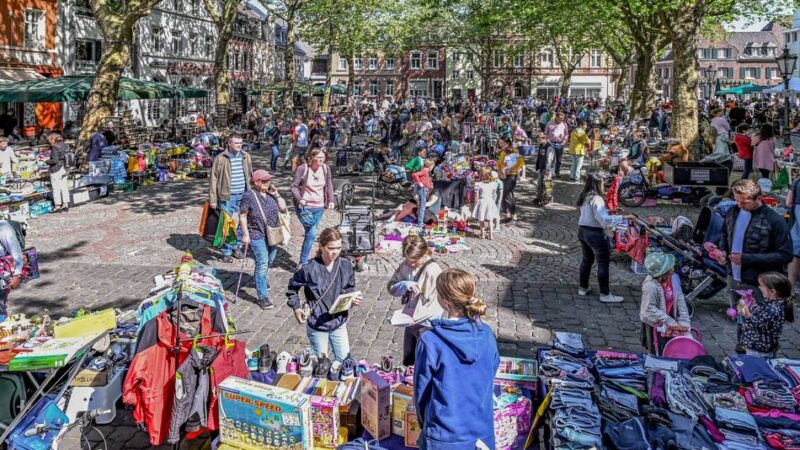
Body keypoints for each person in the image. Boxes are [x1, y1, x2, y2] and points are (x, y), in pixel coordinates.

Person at [414, 268, 500, 450]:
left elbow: (421, 392)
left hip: (444, 434)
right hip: (481, 430)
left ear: (444, 302)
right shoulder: (486, 334)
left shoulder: (430, 341)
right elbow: (491, 373)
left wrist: (426, 425)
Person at [286, 228, 362, 361]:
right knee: (321, 365)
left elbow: (350, 286)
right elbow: (292, 288)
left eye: (338, 248)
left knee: (345, 361)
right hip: (318, 323)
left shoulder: (346, 265)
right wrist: (296, 307)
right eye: (331, 248)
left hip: (338, 321)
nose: (335, 252)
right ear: (321, 247)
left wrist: (352, 299)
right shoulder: (309, 269)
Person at [719, 179, 792, 305]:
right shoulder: (732, 212)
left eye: (744, 202)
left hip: (758, 282)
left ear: (759, 198)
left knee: (757, 321)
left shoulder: (774, 220)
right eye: (736, 200)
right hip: (733, 277)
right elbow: (725, 235)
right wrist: (722, 252)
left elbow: (785, 255)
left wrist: (746, 258)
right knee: (738, 318)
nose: (739, 205)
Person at [387, 235, 444, 366]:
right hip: (410, 321)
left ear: (425, 253)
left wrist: (411, 318)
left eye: (414, 261)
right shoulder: (406, 264)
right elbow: (391, 286)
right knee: (409, 361)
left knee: (424, 363)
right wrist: (405, 284)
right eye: (408, 260)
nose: (410, 264)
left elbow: (436, 307)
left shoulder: (433, 272)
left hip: (426, 325)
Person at [240, 170, 287, 310]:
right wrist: (245, 234)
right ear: (256, 182)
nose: (268, 183)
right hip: (256, 233)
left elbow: (283, 208)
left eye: (268, 180)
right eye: (264, 180)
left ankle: (259, 279)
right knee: (262, 262)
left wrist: (277, 194)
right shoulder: (249, 195)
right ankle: (263, 297)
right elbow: (242, 215)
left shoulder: (271, 194)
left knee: (270, 259)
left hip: (273, 233)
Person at [577, 173, 626, 303]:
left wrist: (610, 211)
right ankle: (605, 294)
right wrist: (624, 218)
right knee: (603, 263)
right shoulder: (597, 199)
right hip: (594, 234)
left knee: (587, 260)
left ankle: (583, 287)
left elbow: (593, 214)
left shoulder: (586, 196)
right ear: (599, 184)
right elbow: (603, 220)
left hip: (582, 231)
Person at [209, 133, 253, 263]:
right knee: (227, 224)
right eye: (236, 143)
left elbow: (250, 175)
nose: (239, 145)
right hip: (227, 195)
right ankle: (226, 251)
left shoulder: (246, 156)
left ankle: (236, 245)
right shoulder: (220, 158)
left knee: (242, 222)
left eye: (240, 143)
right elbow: (213, 179)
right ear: (229, 143)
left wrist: (252, 192)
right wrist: (213, 199)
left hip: (244, 194)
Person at [639, 252, 691, 355]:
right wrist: (671, 322)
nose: (673, 266)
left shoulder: (674, 278)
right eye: (670, 266)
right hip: (654, 322)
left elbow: (679, 298)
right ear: (664, 271)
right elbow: (649, 308)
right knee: (656, 348)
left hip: (669, 318)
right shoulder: (650, 286)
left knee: (669, 347)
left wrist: (684, 321)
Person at [290, 149, 335, 268]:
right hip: (305, 207)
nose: (321, 160)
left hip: (319, 206)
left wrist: (331, 200)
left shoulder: (325, 169)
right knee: (312, 233)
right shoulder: (303, 169)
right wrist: (301, 199)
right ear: (312, 157)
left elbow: (329, 184)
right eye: (318, 157)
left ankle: (312, 258)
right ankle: (303, 262)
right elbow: (294, 186)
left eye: (323, 157)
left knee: (310, 233)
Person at [738, 271, 794, 357]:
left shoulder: (773, 309)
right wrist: (752, 304)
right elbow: (760, 317)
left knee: (757, 367)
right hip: (757, 343)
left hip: (759, 349)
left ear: (772, 292)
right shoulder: (770, 301)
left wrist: (746, 314)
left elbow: (757, 322)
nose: (759, 287)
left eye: (761, 285)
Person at [497, 137, 523, 222]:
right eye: (499, 142)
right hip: (502, 175)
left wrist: (510, 169)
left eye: (502, 142)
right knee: (503, 195)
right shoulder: (502, 152)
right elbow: (500, 163)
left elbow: (520, 162)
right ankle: (507, 215)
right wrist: (499, 171)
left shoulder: (513, 151)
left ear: (507, 142)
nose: (500, 144)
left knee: (508, 195)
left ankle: (514, 215)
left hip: (511, 176)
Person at [472, 166, 500, 239]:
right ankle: (491, 235)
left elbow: (476, 196)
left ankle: (482, 234)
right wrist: (493, 202)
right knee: (490, 219)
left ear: (481, 175)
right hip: (490, 202)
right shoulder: (494, 184)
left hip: (481, 202)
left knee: (481, 219)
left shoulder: (478, 184)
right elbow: (494, 195)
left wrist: (475, 205)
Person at [45, 134, 71, 213]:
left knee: (56, 188)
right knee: (64, 187)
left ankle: (57, 206)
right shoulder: (66, 145)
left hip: (57, 169)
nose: (49, 142)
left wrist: (46, 161)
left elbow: (54, 160)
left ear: (53, 140)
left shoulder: (55, 147)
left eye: (49, 140)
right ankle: (65, 205)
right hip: (66, 168)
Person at [412, 159, 435, 229]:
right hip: (422, 189)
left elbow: (424, 179)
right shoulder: (425, 170)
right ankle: (420, 223)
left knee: (422, 206)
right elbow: (414, 174)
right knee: (422, 207)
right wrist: (419, 182)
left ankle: (420, 221)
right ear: (430, 166)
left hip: (423, 189)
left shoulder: (425, 171)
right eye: (433, 166)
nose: (433, 168)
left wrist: (429, 184)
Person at [545, 112, 569, 176]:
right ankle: (549, 172)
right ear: (556, 117)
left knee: (558, 159)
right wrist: (547, 140)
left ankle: (557, 172)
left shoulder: (564, 124)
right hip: (551, 143)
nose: (562, 120)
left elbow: (566, 134)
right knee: (550, 158)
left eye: (563, 118)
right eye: (560, 118)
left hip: (560, 144)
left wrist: (564, 141)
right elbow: (546, 133)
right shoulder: (550, 123)